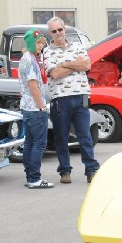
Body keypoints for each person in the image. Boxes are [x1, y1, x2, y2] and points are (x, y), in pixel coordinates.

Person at [43, 16, 99, 184]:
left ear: (64, 28)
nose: (58, 33)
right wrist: (75, 64)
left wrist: (64, 64)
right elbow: (54, 74)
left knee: (85, 135)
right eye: (54, 31)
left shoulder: (78, 46)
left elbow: (87, 66)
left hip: (81, 96)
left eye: (60, 29)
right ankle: (65, 171)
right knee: (61, 137)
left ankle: (91, 170)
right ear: (50, 33)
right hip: (60, 100)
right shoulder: (47, 51)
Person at [19, 29, 53, 189]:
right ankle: (34, 178)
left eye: (42, 43)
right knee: (39, 143)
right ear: (32, 43)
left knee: (30, 143)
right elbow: (33, 85)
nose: (41, 46)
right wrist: (42, 106)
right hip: (35, 109)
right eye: (39, 43)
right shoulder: (30, 61)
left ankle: (30, 176)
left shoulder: (25, 59)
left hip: (26, 108)